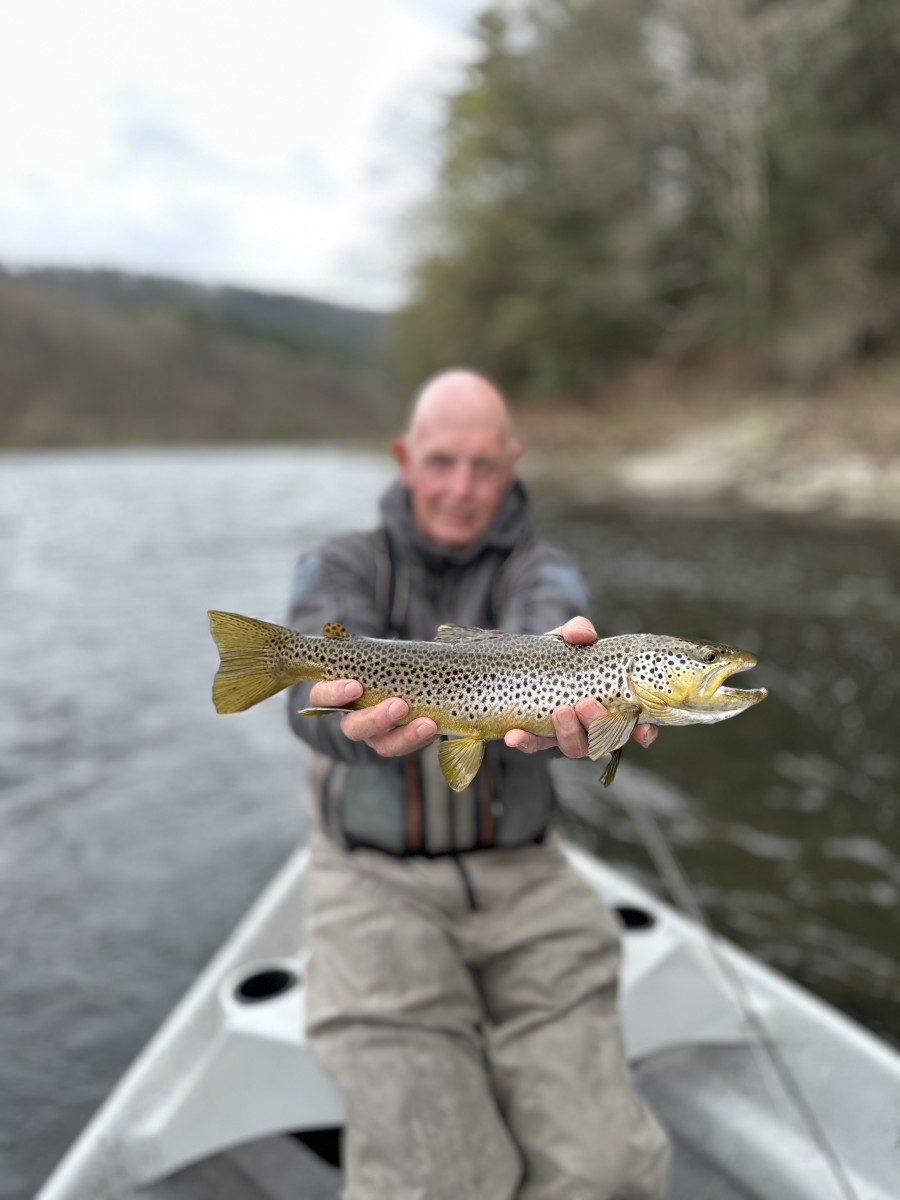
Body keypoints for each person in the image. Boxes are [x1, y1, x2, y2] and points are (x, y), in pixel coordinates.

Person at [286, 369, 671, 1200]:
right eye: (441, 461)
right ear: (403, 457)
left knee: (610, 1170)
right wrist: (342, 722)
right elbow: (298, 698)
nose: (462, 487)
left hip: (527, 878)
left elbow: (553, 630)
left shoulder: (550, 572)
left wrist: (580, 721)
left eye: (484, 465)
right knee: (437, 1182)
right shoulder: (339, 564)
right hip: (370, 885)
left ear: (512, 462)